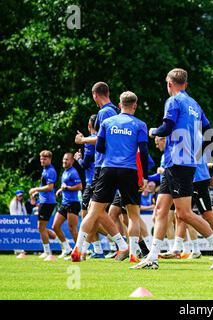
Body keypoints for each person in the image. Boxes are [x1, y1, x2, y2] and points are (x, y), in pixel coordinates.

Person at [134, 68, 213, 271]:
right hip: (174, 163)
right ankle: (153, 257)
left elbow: (166, 128)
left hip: (179, 163)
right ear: (185, 83)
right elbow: (209, 131)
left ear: (169, 84)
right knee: (160, 210)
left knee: (184, 214)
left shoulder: (173, 101)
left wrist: (153, 132)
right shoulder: (194, 104)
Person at [71, 91, 148, 263]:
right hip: (128, 170)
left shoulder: (106, 122)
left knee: (93, 212)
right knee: (133, 215)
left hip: (107, 169)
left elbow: (99, 148)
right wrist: (144, 177)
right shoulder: (140, 125)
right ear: (135, 105)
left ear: (120, 105)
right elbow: (143, 152)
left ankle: (77, 248)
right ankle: (134, 255)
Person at [74, 82, 120, 260]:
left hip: (102, 167)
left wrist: (83, 140)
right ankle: (88, 249)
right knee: (95, 210)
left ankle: (84, 249)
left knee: (91, 210)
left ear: (95, 95)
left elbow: (103, 139)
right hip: (106, 166)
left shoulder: (105, 112)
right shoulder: (112, 110)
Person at [28, 150, 59, 260]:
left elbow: (50, 187)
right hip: (44, 201)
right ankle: (55, 241)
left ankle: (47, 252)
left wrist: (36, 189)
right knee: (41, 227)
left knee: (40, 227)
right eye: (41, 158)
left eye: (45, 158)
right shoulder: (45, 170)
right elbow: (45, 187)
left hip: (47, 202)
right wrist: (38, 192)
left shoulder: (50, 171)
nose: (42, 160)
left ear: (50, 159)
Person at [53, 153, 83, 259]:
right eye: (63, 159)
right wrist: (61, 189)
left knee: (72, 229)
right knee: (55, 226)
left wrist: (67, 188)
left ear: (72, 161)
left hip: (72, 203)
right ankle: (67, 249)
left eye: (67, 159)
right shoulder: (65, 172)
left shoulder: (73, 172)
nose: (64, 161)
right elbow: (66, 185)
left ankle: (80, 251)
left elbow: (80, 186)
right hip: (64, 203)